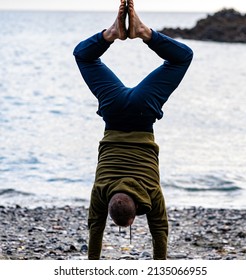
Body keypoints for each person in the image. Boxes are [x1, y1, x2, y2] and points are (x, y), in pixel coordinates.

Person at [73, 0, 193, 260]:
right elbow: (95, 228)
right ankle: (114, 34)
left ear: (137, 207)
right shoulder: (101, 191)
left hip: (143, 112)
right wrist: (92, 264)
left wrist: (159, 266)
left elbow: (159, 229)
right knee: (84, 56)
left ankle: (143, 33)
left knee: (181, 58)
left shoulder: (150, 191)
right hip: (113, 110)